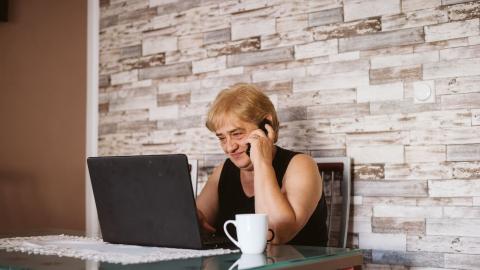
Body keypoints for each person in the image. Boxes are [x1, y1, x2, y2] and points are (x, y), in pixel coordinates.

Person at [196, 83, 328, 246]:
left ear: (266, 125)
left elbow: (274, 234)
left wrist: (262, 163)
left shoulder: (302, 165)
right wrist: (194, 224)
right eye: (222, 138)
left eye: (237, 134)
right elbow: (197, 224)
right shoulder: (223, 171)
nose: (229, 147)